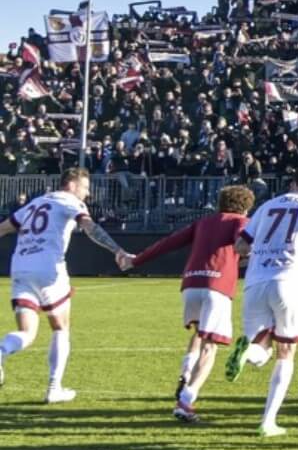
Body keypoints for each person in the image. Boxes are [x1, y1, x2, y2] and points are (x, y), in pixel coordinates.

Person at [125, 183, 254, 423]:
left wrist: (137, 260)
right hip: (217, 286)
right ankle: (186, 401)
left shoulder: (203, 222)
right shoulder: (240, 221)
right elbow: (242, 243)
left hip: (191, 284)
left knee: (199, 333)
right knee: (210, 346)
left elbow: (169, 243)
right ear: (246, 207)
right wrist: (253, 254)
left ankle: (186, 373)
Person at [0, 168, 132, 403]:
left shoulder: (35, 202)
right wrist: (117, 250)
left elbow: (4, 228)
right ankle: (54, 388)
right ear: (71, 184)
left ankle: (1, 351)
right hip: (49, 268)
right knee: (60, 327)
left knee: (27, 333)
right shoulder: (70, 201)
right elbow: (90, 227)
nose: (87, 193)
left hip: (20, 266)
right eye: (85, 187)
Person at [230, 167, 298, 436]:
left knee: (261, 348)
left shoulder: (267, 206)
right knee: (286, 352)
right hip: (289, 281)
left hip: (255, 281)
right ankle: (268, 421)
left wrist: (262, 251)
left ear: (291, 184)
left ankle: (248, 352)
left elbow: (240, 247)